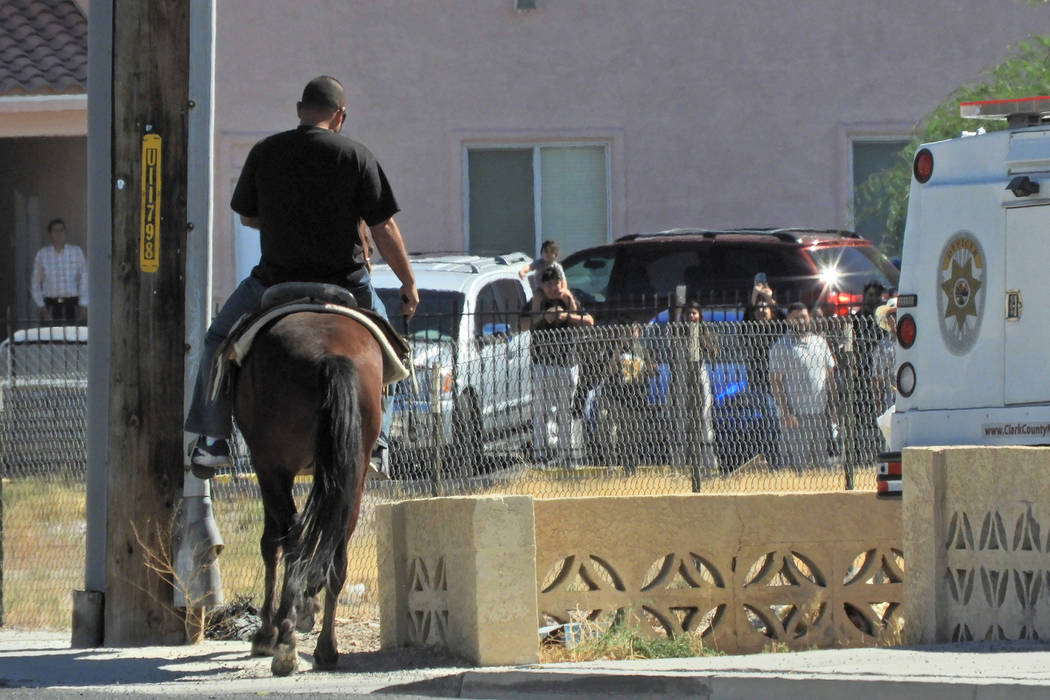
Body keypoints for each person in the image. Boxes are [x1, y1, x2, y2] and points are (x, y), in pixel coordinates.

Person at [185, 75, 419, 479]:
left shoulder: (266, 151)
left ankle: (213, 439)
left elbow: (247, 215)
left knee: (217, 340)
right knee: (392, 350)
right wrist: (408, 283)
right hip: (346, 283)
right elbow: (384, 228)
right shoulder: (357, 155)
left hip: (274, 282)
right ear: (341, 116)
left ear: (299, 110)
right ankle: (379, 440)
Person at [525, 264, 593, 466]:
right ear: (542, 286)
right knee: (540, 410)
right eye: (548, 284)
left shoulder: (568, 299)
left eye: (556, 283)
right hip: (541, 363)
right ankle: (540, 453)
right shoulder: (537, 301)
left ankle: (566, 453)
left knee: (565, 408)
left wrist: (568, 311)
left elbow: (589, 320)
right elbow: (521, 325)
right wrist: (542, 316)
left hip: (566, 363)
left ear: (561, 283)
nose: (553, 288)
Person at [768, 302, 835, 474]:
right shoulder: (781, 346)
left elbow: (829, 374)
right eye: (796, 318)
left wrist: (832, 406)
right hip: (796, 415)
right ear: (788, 321)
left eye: (804, 317)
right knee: (798, 466)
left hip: (820, 412)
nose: (801, 322)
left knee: (821, 464)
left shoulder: (820, 342)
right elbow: (775, 381)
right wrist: (785, 411)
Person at [31, 218, 88, 323]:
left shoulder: (76, 252)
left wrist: (83, 304)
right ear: (50, 234)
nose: (59, 234)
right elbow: (35, 284)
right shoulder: (42, 255)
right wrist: (42, 307)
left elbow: (84, 279)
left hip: (72, 303)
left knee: (73, 337)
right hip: (51, 304)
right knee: (50, 337)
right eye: (55, 231)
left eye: (61, 230)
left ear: (66, 232)